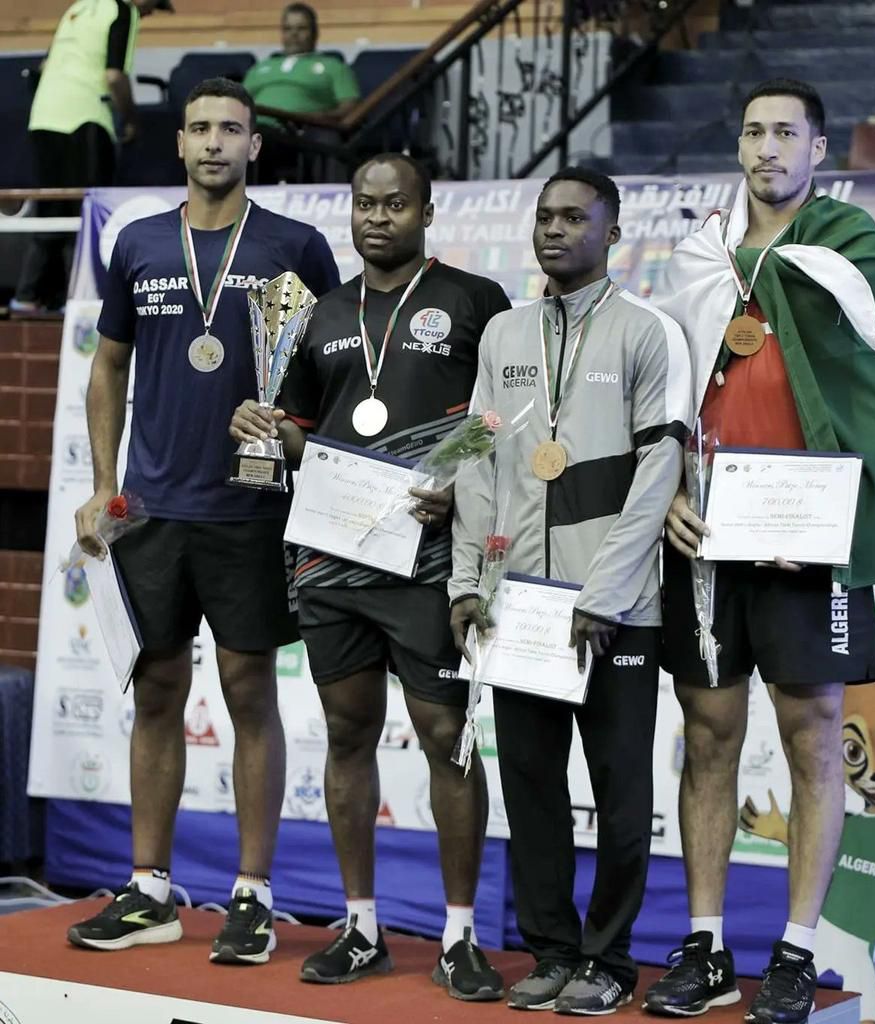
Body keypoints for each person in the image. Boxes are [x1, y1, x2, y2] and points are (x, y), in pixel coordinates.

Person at [645, 78, 875, 1022]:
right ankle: (707, 944)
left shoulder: (852, 247)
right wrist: (671, 486)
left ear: (820, 150)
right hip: (712, 530)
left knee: (812, 740)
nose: (767, 148)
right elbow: (669, 384)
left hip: (811, 541)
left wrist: (831, 523)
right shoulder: (701, 253)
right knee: (708, 735)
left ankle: (797, 951)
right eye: (754, 131)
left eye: (786, 134)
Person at [66, 77, 340, 964]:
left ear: (256, 146)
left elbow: (329, 375)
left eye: (233, 129)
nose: (216, 142)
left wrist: (292, 435)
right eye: (201, 129)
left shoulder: (295, 243)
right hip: (152, 511)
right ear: (178, 144)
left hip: (251, 510)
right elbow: (107, 369)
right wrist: (106, 485)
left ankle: (253, 897)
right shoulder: (139, 242)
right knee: (156, 694)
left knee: (250, 691)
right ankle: (150, 890)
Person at [229, 152, 511, 998]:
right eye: (364, 203)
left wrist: (463, 478)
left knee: (444, 739)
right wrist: (262, 426)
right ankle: (360, 927)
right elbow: (298, 431)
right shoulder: (317, 316)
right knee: (348, 735)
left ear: (426, 212)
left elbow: (500, 418)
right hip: (332, 558)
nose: (377, 216)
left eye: (395, 204)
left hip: (429, 561)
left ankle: (460, 935)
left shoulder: (474, 301)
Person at [449, 167, 691, 1016]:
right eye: (545, 218)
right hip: (520, 607)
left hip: (615, 611)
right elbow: (477, 464)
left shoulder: (646, 333)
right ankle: (551, 950)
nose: (555, 231)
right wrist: (469, 583)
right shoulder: (504, 336)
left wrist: (608, 592)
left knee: (623, 792)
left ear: (612, 233)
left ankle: (612, 958)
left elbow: (660, 472)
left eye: (576, 218)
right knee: (533, 791)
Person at [11, 0, 171, 314]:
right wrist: (132, 119)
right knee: (84, 211)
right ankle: (82, 300)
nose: (149, 13)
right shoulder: (123, 11)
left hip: (43, 117)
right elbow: (114, 77)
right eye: (153, 6)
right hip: (84, 118)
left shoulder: (77, 8)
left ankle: (30, 297)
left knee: (52, 209)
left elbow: (45, 67)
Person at [243, 2, 360, 183]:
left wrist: (318, 117)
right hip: (259, 129)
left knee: (327, 140)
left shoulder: (333, 66)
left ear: (315, 32)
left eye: (301, 28)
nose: (294, 34)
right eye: (288, 29)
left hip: (304, 132)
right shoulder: (261, 67)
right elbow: (239, 101)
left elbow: (350, 106)